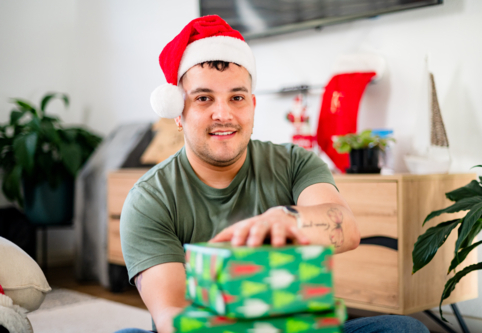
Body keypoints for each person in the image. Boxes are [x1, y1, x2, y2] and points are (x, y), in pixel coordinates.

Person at [117, 15, 429, 333]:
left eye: (236, 98)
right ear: (178, 114)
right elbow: (171, 311)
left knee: (404, 329)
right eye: (203, 98)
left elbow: (345, 227)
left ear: (252, 106)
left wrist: (286, 218)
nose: (222, 114)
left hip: (293, 326)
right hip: (203, 331)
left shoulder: (294, 162)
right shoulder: (149, 199)